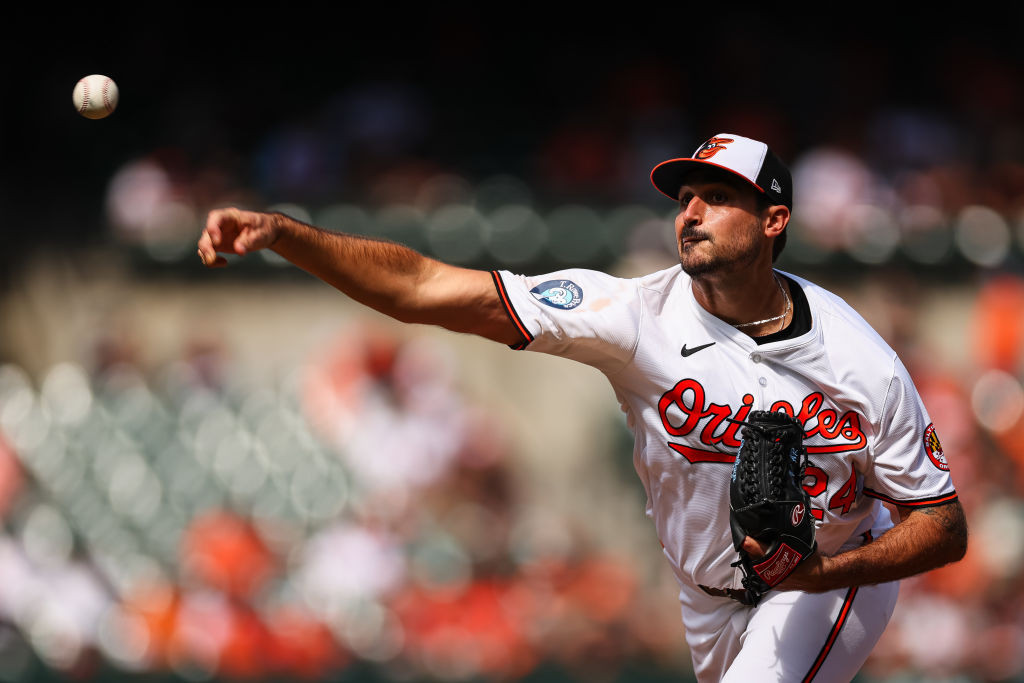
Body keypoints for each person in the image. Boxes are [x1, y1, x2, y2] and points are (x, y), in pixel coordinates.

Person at [197, 133, 967, 682]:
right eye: (685, 196)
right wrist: (285, 236)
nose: (691, 211)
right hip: (703, 592)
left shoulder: (861, 362)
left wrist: (825, 570)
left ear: (773, 221)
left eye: (719, 197)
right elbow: (425, 288)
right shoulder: (634, 314)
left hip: (831, 578)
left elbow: (943, 525)